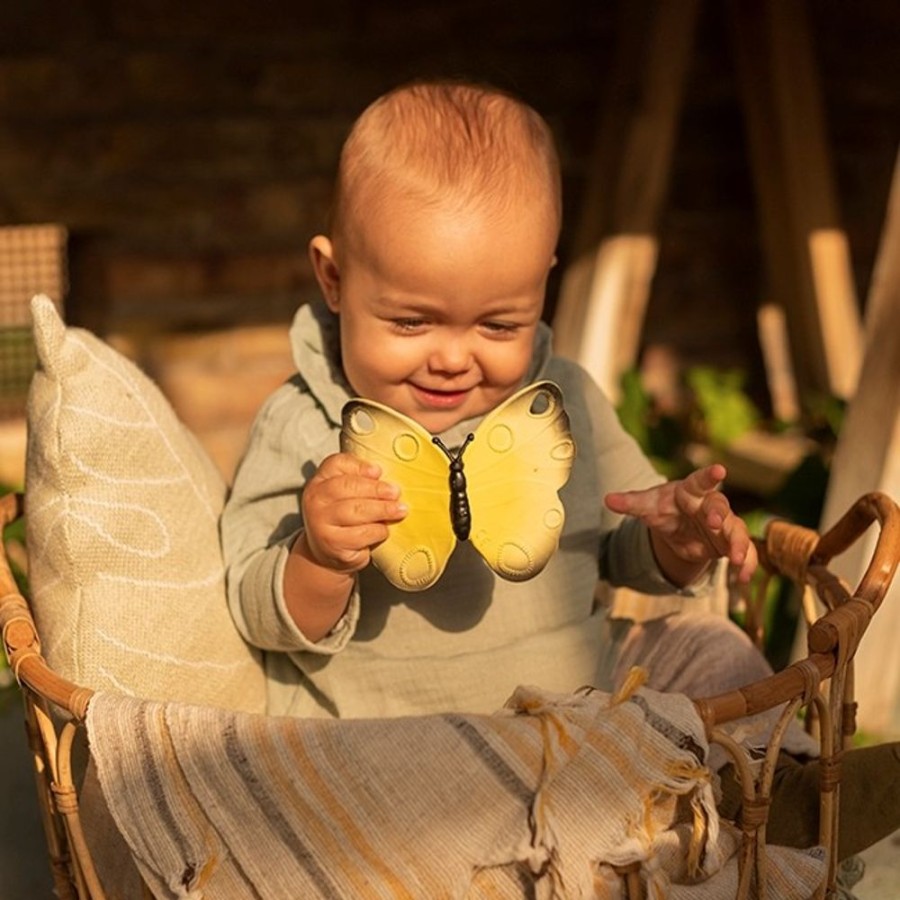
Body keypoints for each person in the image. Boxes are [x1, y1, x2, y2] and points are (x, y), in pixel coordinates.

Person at [221, 79, 898, 859]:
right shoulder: (303, 422)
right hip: (396, 746)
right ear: (334, 280)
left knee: (710, 647)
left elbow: (620, 540)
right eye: (410, 322)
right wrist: (317, 555)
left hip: (582, 714)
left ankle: (780, 797)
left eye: (499, 323)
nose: (451, 357)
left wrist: (674, 539)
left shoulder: (560, 397)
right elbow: (254, 607)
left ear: (543, 279)